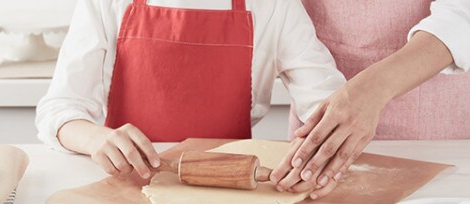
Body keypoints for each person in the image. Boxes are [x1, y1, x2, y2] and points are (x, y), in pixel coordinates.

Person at [36, 0, 345, 179]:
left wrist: (320, 151)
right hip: (127, 181)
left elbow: (326, 104)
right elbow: (60, 109)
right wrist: (95, 138)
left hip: (229, 185)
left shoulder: (273, 5)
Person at [271, 0, 470, 199]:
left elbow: (462, 14)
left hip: (434, 124)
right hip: (318, 95)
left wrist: (374, 87)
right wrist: (325, 118)